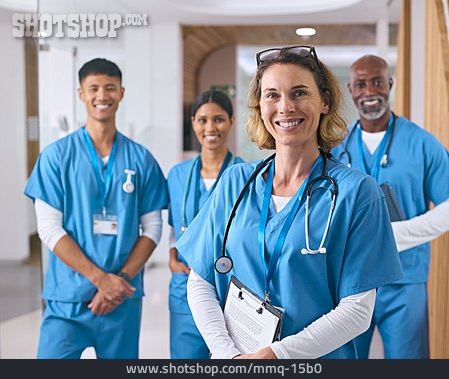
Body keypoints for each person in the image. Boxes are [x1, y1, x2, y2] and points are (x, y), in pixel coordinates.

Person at [175, 46, 403, 359]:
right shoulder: (236, 182)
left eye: (299, 93)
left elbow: (357, 311)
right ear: (259, 105)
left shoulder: (357, 193)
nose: (285, 107)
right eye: (272, 95)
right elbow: (199, 281)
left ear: (324, 101)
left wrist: (276, 355)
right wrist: (229, 355)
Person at [24, 58, 168, 359]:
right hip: (68, 299)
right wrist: (101, 280)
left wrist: (120, 282)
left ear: (122, 92)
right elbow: (49, 227)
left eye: (110, 88)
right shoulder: (56, 157)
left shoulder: (141, 159)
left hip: (121, 299)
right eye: (93, 89)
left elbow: (153, 228)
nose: (102, 96)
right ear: (81, 94)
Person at [332, 55, 449, 359]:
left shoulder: (422, 144)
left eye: (377, 81)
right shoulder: (336, 149)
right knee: (343, 359)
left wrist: (396, 235)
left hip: (404, 281)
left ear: (390, 83)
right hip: (349, 282)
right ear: (351, 90)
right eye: (361, 84)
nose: (370, 91)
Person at [167, 90, 244, 358]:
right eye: (202, 120)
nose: (210, 128)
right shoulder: (177, 175)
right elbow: (174, 226)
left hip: (230, 290)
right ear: (193, 123)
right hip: (185, 286)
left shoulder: (247, 174)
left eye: (218, 119)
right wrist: (171, 255)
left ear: (232, 121)